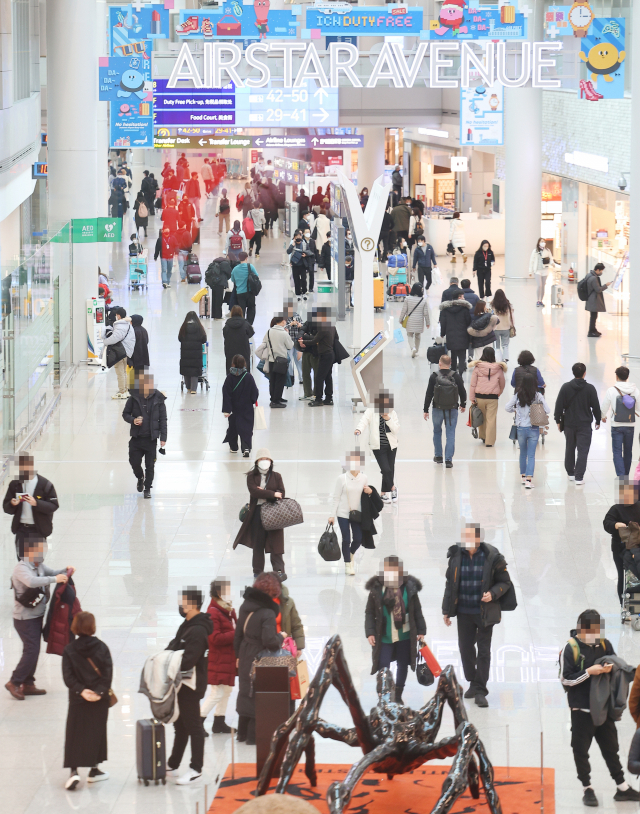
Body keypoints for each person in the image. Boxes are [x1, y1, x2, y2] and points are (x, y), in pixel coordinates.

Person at [560, 608, 640, 807]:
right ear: (581, 630)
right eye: (591, 633)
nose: (595, 637)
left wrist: (609, 668)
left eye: (598, 632)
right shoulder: (570, 648)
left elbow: (613, 662)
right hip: (581, 710)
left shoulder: (604, 644)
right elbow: (565, 680)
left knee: (611, 749)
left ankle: (621, 787)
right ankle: (587, 788)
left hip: (604, 708)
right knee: (580, 750)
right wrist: (589, 672)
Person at [442, 522, 513, 707]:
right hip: (464, 612)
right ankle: (473, 681)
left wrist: (493, 593)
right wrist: (446, 611)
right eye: (464, 536)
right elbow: (450, 584)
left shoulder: (492, 557)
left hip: (483, 613)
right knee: (465, 648)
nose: (466, 540)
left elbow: (505, 582)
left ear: (478, 539)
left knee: (483, 651)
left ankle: (481, 689)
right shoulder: (456, 556)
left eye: (470, 537)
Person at [6, 535, 71, 700]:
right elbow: (32, 581)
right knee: (32, 650)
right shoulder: (21, 568)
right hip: (24, 619)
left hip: (36, 616)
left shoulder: (38, 565)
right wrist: (54, 579)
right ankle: (14, 681)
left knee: (33, 650)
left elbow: (53, 572)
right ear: (29, 550)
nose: (43, 552)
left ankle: (28, 683)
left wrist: (65, 571)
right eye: (40, 549)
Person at [165, 587, 213, 785]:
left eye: (183, 602)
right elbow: (175, 644)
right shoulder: (188, 624)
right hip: (182, 683)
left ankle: (196, 768)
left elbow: (188, 660)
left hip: (190, 684)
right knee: (180, 725)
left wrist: (170, 662)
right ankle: (173, 763)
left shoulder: (198, 629)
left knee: (193, 726)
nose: (180, 606)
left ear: (192, 604)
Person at [234, 572, 287, 745]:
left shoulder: (245, 606)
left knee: (246, 691)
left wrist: (238, 656)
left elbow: (238, 634)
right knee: (258, 695)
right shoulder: (267, 613)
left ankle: (241, 733)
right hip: (260, 656)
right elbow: (270, 641)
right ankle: (252, 737)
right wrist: (281, 636)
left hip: (245, 652)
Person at [365, 556, 426, 704]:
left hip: (404, 635)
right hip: (384, 635)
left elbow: (417, 610)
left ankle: (398, 695)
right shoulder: (377, 589)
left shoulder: (409, 589)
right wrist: (370, 632)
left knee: (402, 664)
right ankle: (384, 695)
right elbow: (370, 612)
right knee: (383, 665)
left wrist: (421, 630)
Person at [62, 612, 113, 791]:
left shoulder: (69, 649)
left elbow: (68, 677)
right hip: (99, 700)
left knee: (75, 733)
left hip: (78, 699)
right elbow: (107, 674)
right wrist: (98, 692)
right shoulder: (102, 647)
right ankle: (94, 769)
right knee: (96, 732)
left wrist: (82, 690)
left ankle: (73, 771)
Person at [233, 450, 288, 579]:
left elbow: (281, 494)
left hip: (274, 512)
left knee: (276, 543)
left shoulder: (277, 476)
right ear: (257, 461)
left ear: (271, 461)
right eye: (262, 459)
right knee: (258, 543)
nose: (265, 461)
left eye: (267, 459)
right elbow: (254, 493)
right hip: (257, 512)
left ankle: (279, 570)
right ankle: (258, 571)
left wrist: (265, 492)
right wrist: (272, 494)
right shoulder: (251, 476)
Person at [3, 454, 59, 559]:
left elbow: (53, 505)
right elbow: (6, 507)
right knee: (22, 564)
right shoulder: (15, 484)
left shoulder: (45, 485)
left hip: (38, 529)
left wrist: (36, 503)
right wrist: (12, 503)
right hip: (21, 529)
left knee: (36, 564)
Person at [554, 363, 601, 485]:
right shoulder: (590, 388)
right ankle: (579, 477)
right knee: (583, 450)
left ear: (573, 372)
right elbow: (595, 406)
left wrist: (558, 420)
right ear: (584, 373)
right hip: (584, 424)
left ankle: (570, 473)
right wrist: (598, 420)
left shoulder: (565, 387)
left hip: (569, 423)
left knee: (570, 447)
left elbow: (559, 405)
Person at [122, 371, 167, 498]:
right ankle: (140, 477)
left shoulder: (159, 399)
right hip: (136, 438)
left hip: (151, 439)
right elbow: (125, 414)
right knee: (134, 462)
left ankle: (147, 488)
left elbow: (163, 419)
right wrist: (133, 420)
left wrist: (163, 437)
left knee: (150, 466)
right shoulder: (133, 398)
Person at [329, 448, 373, 575]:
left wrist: (370, 492)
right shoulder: (341, 478)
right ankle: (348, 564)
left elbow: (365, 496)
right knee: (346, 539)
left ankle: (351, 553)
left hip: (357, 513)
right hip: (343, 514)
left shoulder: (364, 478)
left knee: (358, 538)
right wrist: (332, 515)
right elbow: (336, 497)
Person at [201, 579, 236, 735]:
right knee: (217, 693)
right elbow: (214, 638)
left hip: (227, 658)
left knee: (226, 691)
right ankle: (197, 721)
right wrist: (236, 633)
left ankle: (219, 722)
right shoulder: (213, 612)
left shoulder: (228, 610)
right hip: (218, 659)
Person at [505, 373, 550, 487]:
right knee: (531, 455)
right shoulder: (537, 395)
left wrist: (516, 409)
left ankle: (523, 476)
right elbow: (548, 410)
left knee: (522, 453)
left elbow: (507, 407)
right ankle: (529, 480)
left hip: (520, 428)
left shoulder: (518, 395)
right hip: (533, 428)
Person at [355, 390, 399, 504]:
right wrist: (359, 429)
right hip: (378, 446)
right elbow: (363, 421)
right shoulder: (371, 411)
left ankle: (383, 493)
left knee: (390, 469)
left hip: (392, 446)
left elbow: (396, 429)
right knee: (385, 469)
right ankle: (393, 488)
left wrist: (388, 419)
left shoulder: (392, 413)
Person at [423, 355, 467, 468]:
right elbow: (462, 391)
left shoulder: (434, 376)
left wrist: (425, 409)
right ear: (450, 363)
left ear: (439, 363)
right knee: (450, 433)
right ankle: (448, 460)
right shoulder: (456, 376)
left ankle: (438, 456)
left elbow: (429, 394)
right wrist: (463, 404)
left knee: (437, 432)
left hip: (437, 408)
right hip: (452, 408)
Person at [603, 479, 640, 605]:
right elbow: (606, 523)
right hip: (620, 548)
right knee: (622, 576)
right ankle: (624, 605)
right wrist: (616, 525)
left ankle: (635, 605)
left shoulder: (639, 507)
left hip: (637, 547)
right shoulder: (616, 509)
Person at [600, 366, 640, 477]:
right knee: (628, 451)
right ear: (627, 377)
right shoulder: (635, 390)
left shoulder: (611, 390)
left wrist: (602, 416)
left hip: (616, 425)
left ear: (616, 376)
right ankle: (625, 474)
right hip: (630, 424)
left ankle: (621, 476)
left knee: (617, 452)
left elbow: (604, 407)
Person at [222, 355, 259, 457]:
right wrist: (252, 400)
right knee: (246, 428)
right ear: (244, 364)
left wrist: (227, 410)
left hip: (234, 409)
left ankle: (233, 447)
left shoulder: (229, 378)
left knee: (233, 427)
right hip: (246, 408)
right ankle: (246, 447)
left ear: (233, 364)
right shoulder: (248, 377)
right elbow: (254, 392)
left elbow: (226, 394)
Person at [469, 348, 506, 448]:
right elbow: (502, 383)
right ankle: (489, 441)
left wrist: (472, 397)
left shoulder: (477, 368)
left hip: (480, 396)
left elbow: (473, 384)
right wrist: (499, 393)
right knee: (491, 419)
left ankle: (483, 436)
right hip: (493, 397)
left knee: (482, 416)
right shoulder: (499, 369)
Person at [299, 306, 336, 407]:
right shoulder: (332, 326)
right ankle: (329, 398)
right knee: (328, 377)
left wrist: (303, 341)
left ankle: (318, 399)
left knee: (319, 377)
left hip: (325, 355)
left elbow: (315, 340)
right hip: (330, 354)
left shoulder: (324, 327)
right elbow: (336, 338)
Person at [258, 315, 294, 408]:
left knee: (272, 380)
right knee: (280, 381)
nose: (285, 322)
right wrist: (288, 334)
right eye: (285, 321)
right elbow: (290, 346)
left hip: (271, 360)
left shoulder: (269, 331)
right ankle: (276, 401)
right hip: (281, 361)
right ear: (281, 322)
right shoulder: (284, 333)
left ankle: (274, 398)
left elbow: (264, 342)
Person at [103, 307, 135, 398]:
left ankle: (122, 392)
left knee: (120, 372)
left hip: (120, 352)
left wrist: (106, 341)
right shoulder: (128, 325)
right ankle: (125, 390)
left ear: (119, 315)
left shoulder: (120, 325)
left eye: (116, 315)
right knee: (123, 372)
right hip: (126, 351)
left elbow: (115, 338)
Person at [438, 292, 473, 375]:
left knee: (453, 355)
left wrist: (442, 333)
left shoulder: (446, 310)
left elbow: (443, 323)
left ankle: (453, 373)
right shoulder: (465, 309)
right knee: (462, 356)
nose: (464, 298)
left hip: (451, 335)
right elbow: (469, 322)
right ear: (458, 298)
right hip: (463, 335)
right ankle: (460, 374)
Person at [179, 311, 207, 395]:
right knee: (194, 369)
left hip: (185, 353)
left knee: (186, 369)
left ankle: (188, 387)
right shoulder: (199, 328)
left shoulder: (183, 327)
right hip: (196, 354)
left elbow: (180, 338)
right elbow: (204, 339)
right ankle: (194, 389)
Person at [399, 283, 430, 358]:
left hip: (410, 320)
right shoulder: (423, 300)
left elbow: (404, 310)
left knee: (409, 334)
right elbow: (426, 313)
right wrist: (427, 322)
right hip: (419, 321)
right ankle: (416, 350)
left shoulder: (407, 299)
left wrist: (401, 319)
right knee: (418, 335)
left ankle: (412, 348)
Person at [223, 305, 254, 373]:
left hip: (230, 351)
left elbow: (225, 335)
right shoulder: (246, 324)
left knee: (230, 370)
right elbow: (251, 333)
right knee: (245, 371)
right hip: (244, 351)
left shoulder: (227, 325)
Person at [230, 252, 258, 324]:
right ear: (246, 258)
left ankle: (242, 324)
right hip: (250, 292)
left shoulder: (235, 269)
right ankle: (249, 324)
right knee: (251, 308)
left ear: (239, 258)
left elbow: (233, 280)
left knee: (241, 309)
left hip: (240, 293)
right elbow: (256, 276)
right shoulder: (250, 267)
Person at [529, 237, 555, 307]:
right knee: (539, 285)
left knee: (543, 286)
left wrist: (552, 263)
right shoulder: (535, 251)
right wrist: (530, 271)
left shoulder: (547, 250)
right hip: (537, 270)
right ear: (538, 243)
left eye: (544, 241)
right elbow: (531, 261)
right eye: (541, 241)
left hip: (545, 270)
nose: (543, 242)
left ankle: (541, 300)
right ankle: (538, 300)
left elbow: (551, 259)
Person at [585, 262, 609, 337]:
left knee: (593, 315)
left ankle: (593, 330)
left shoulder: (589, 275)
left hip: (590, 298)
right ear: (597, 270)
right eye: (601, 271)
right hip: (593, 300)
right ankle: (591, 331)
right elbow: (598, 289)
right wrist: (606, 285)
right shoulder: (593, 278)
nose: (601, 272)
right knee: (593, 316)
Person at [490, 290, 514, 363]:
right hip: (506, 327)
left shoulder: (493, 305)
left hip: (496, 328)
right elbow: (511, 316)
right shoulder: (508, 305)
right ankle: (505, 358)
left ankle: (497, 358)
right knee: (505, 345)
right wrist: (512, 325)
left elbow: (490, 316)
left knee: (496, 345)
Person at [288, 232, 309, 301]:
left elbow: (309, 251)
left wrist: (305, 254)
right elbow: (288, 251)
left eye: (300, 237)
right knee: (296, 280)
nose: (299, 239)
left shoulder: (304, 244)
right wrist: (292, 245)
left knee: (303, 279)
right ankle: (298, 294)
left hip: (302, 265)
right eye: (297, 237)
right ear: (294, 238)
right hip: (295, 265)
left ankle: (304, 292)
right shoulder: (293, 244)